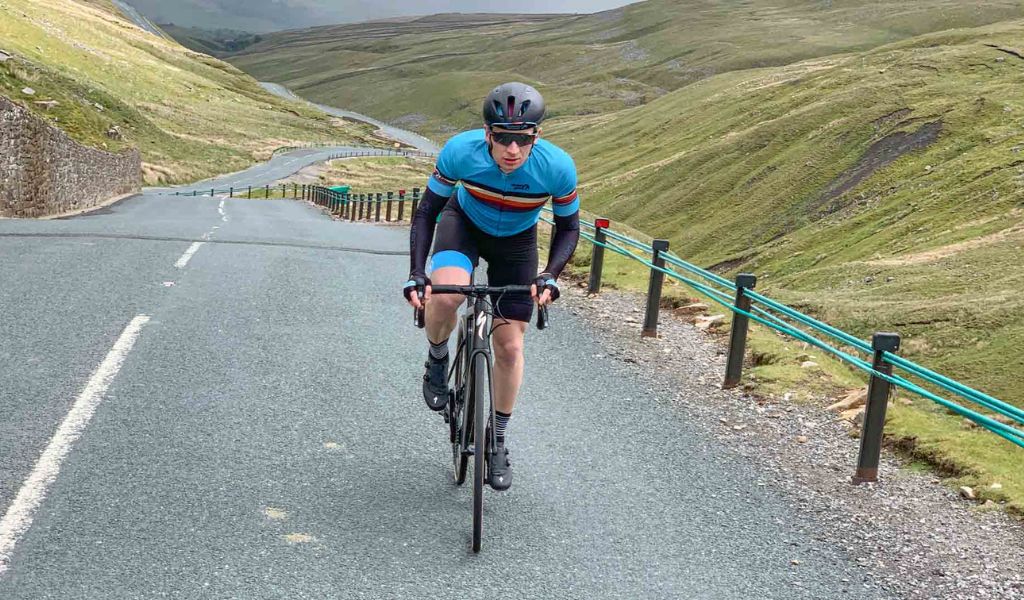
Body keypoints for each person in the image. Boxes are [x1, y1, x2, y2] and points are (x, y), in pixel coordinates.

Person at [403, 82, 580, 491]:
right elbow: (427, 211)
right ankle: (437, 358)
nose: (512, 149)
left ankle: (497, 440)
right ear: (487, 134)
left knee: (510, 345)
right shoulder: (459, 152)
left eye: (522, 139)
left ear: (537, 136)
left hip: (516, 243)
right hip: (462, 225)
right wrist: (417, 272)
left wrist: (550, 274)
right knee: (446, 295)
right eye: (502, 138)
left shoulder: (557, 167)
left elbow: (569, 227)